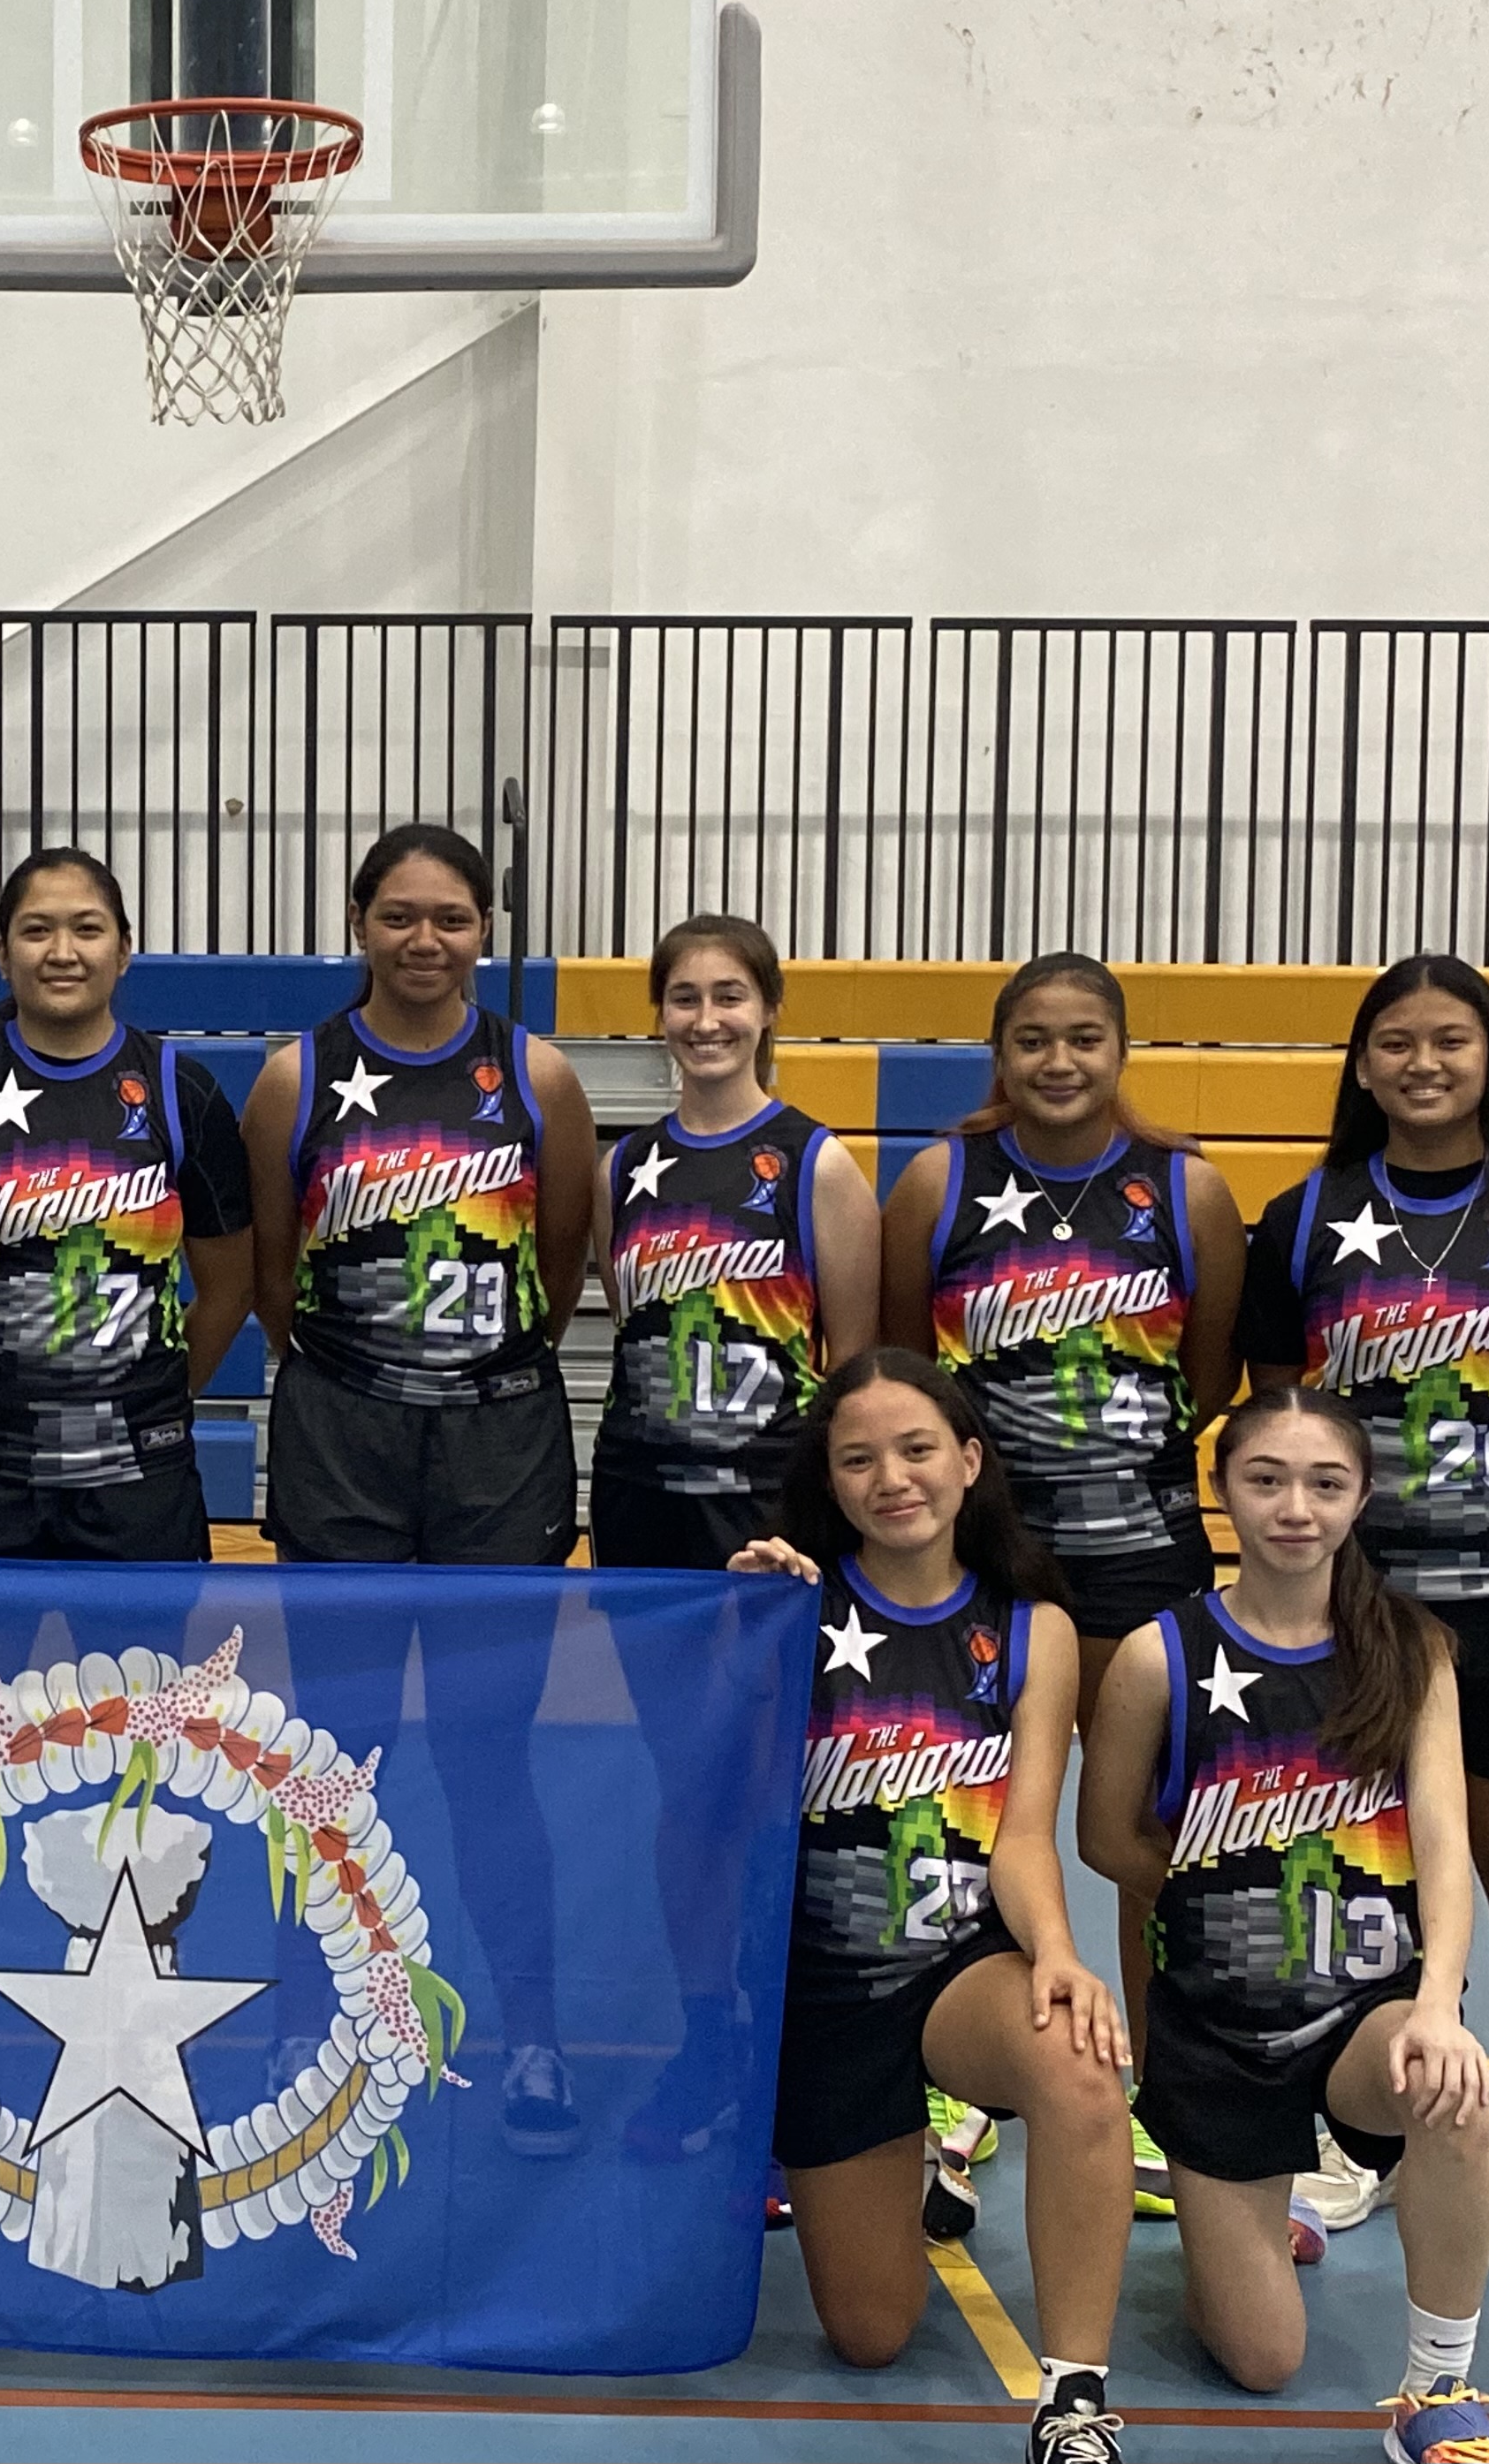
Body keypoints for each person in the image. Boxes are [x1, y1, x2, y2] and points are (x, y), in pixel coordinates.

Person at [1242, 955, 1489, 2264]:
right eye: (1396, 1043)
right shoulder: (1306, 1216)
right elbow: (1278, 1412)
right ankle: (1360, 2129)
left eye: (1449, 1042)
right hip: (1363, 1612)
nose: (1422, 1064)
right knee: (1363, 1873)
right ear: (1359, 1065)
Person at [238, 823, 599, 2150]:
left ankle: (532, 2035)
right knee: (326, 1751)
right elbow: (275, 1280)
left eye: (449, 916)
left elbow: (558, 1266)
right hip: (344, 1425)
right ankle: (313, 2012)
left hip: (497, 1439)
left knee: (485, 1756)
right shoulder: (299, 1077)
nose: (424, 940)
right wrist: (362, 1382)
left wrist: (468, 1375)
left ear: (483, 927)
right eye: (399, 915)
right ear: (356, 921)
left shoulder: (534, 1074)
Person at [1077, 1387, 1489, 2464]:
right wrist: (1214, 1887)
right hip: (1217, 2033)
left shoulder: (1409, 1654)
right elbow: (1105, 1839)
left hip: (1362, 2012)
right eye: (1264, 1479)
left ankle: (1435, 2390)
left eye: (1324, 1483)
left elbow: (1444, 1846)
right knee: (1264, 2357)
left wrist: (1436, 2000)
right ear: (1221, 1489)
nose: (1294, 1507)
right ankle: (1251, 2212)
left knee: (1452, 2090)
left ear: (1360, 1496)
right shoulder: (1155, 1656)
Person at [726, 1353, 1134, 2464]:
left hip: (961, 1968)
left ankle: (1075, 2397)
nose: (890, 1477)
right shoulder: (786, 1606)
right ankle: (912, 2155)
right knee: (869, 2334)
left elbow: (1022, 1834)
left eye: (915, 1449)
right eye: (858, 1458)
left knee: (1081, 2057)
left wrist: (1056, 1951)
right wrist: (737, 1620)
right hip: (825, 1991)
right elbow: (705, 1798)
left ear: (968, 1461)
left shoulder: (1032, 1625)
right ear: (830, 1478)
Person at [883, 951, 1242, 2213]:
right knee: (977, 1821)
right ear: (997, 1052)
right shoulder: (940, 1180)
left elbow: (1202, 1377)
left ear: (1119, 1046)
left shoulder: (1181, 1191)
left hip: (1142, 1551)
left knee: (1146, 1836)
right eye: (1030, 1038)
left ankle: (1154, 2088)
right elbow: (900, 1369)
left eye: (1082, 1037)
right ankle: (965, 2084)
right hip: (983, 1562)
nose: (1056, 1061)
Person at [589, 914, 879, 2166]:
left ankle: (803, 2050)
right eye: (683, 998)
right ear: (655, 1014)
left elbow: (851, 1366)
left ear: (768, 1010)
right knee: (681, 1793)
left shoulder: (812, 1166)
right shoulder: (625, 1168)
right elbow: (624, 1317)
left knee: (783, 1797)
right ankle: (705, 2036)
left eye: (728, 998)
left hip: (771, 1525)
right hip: (648, 1509)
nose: (705, 1020)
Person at [0, 846, 254, 1568]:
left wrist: (153, 1400)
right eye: (37, 930)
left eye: (87, 928)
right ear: (1, 952)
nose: (62, 951)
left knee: (139, 1681)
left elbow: (231, 1285)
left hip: (138, 1477)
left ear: (124, 950)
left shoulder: (181, 1089)